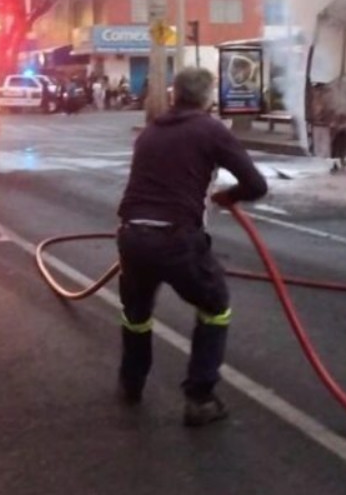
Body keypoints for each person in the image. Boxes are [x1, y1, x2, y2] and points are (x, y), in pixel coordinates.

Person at [114, 66, 268, 426]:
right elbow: (256, 184)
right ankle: (199, 398)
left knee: (137, 314)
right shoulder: (210, 129)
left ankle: (131, 382)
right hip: (176, 238)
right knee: (215, 305)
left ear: (174, 95)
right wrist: (228, 196)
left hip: (132, 235)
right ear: (208, 97)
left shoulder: (150, 132)